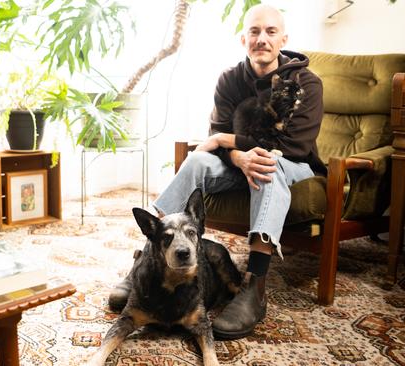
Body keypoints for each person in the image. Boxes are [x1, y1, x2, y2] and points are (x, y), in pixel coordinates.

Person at [108, 3, 325, 339]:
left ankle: (255, 286)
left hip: (292, 164)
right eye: (254, 31)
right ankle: (144, 262)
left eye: (270, 32)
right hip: (240, 160)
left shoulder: (306, 82)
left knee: (267, 165)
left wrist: (228, 140)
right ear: (244, 39)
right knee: (196, 160)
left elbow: (293, 143)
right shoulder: (230, 79)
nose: (262, 39)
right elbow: (215, 137)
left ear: (284, 38)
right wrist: (236, 154)